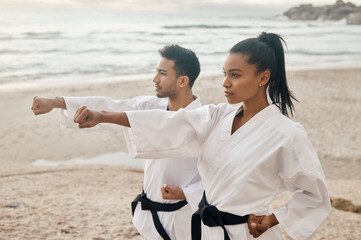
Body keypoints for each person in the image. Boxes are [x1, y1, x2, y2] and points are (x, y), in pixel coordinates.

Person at [71, 32, 331, 240]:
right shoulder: (218, 116)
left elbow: (315, 195)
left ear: (263, 77)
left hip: (244, 232)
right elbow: (171, 122)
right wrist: (104, 116)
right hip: (206, 231)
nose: (225, 83)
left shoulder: (286, 134)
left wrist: (274, 218)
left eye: (235, 75)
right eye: (225, 74)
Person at [31, 45, 205, 240]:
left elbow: (222, 173)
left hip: (182, 220)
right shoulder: (151, 106)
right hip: (149, 215)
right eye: (156, 72)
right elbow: (111, 106)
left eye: (162, 73)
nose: (155, 79)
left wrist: (187, 193)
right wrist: (56, 102)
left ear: (182, 80)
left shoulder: (203, 122)